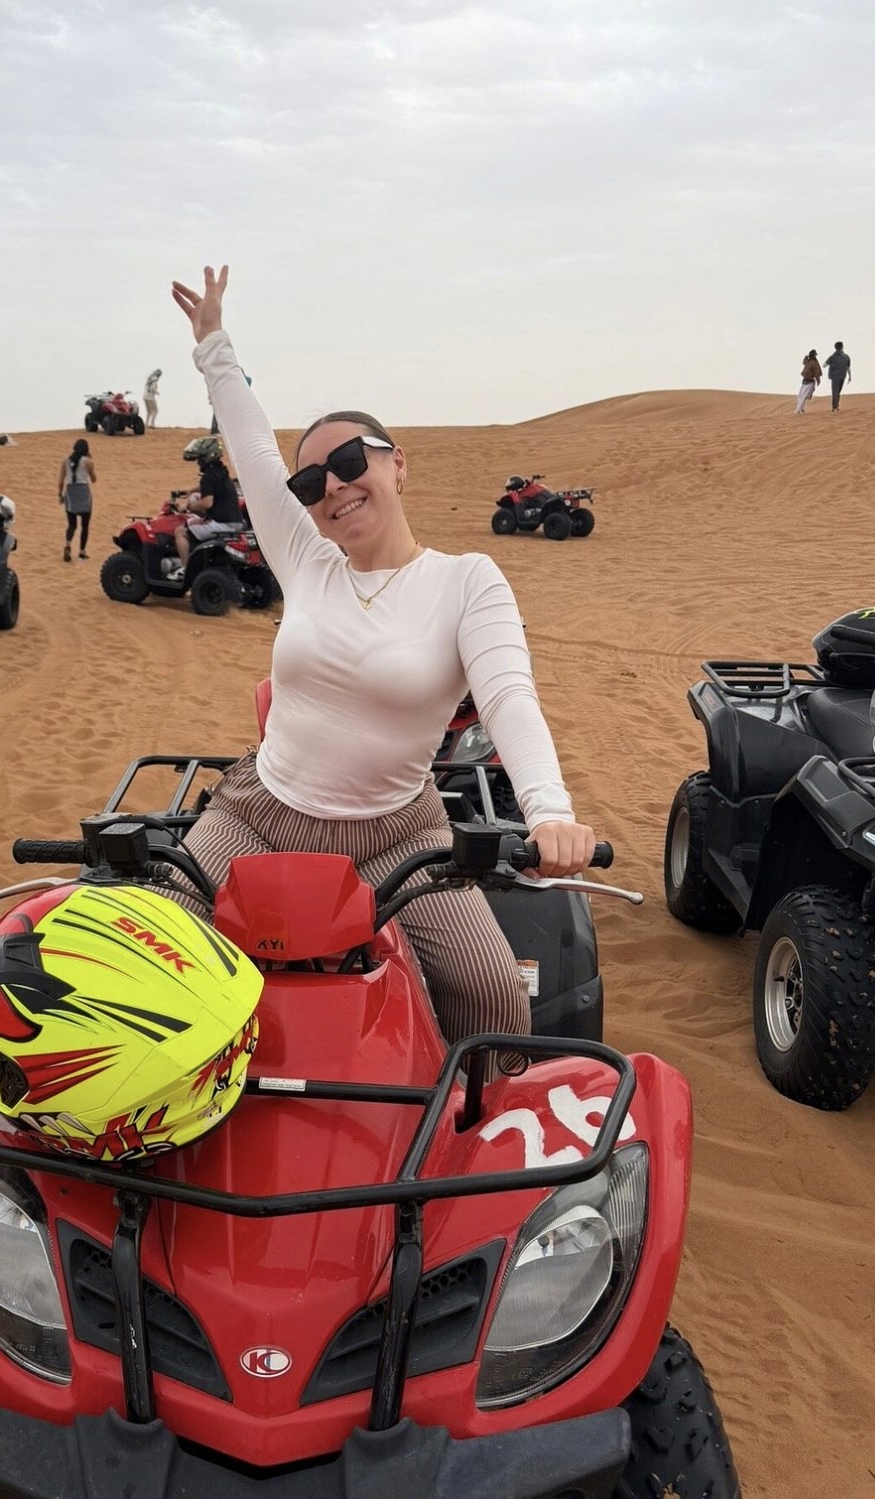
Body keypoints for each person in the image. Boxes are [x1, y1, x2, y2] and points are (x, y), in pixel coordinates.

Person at [167, 265, 596, 1046]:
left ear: (398, 462)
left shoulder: (465, 581)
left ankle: (469, 1149)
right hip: (260, 816)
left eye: (350, 462)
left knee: (493, 993)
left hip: (400, 835)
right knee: (161, 947)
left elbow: (509, 699)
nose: (332, 486)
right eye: (312, 480)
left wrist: (551, 813)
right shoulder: (306, 557)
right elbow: (254, 452)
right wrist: (215, 348)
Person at [172, 435, 243, 570]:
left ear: (206, 458)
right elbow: (210, 487)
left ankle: (184, 569)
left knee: (180, 532)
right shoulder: (221, 472)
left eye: (200, 459)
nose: (198, 463)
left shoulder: (208, 477)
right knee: (196, 504)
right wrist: (190, 491)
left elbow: (207, 503)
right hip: (236, 522)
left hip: (221, 524)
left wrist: (187, 506)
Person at [57, 437, 96, 561]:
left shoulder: (66, 461)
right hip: (83, 491)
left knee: (72, 525)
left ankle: (68, 544)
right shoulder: (88, 461)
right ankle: (82, 551)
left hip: (70, 491)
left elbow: (61, 480)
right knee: (85, 525)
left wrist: (60, 495)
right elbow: (94, 479)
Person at [824, 341, 851, 411]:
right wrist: (850, 376)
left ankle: (835, 407)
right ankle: (836, 405)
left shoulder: (832, 357)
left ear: (835, 348)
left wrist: (831, 365)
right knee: (838, 391)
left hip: (834, 376)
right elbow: (848, 368)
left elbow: (824, 365)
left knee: (835, 391)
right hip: (842, 376)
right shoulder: (846, 356)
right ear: (842, 347)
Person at [795, 350, 821, 414]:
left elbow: (804, 362)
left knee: (801, 396)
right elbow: (817, 372)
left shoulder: (808, 362)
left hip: (805, 381)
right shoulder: (814, 363)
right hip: (810, 382)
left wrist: (806, 357)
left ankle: (800, 409)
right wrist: (818, 380)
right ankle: (799, 410)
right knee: (803, 397)